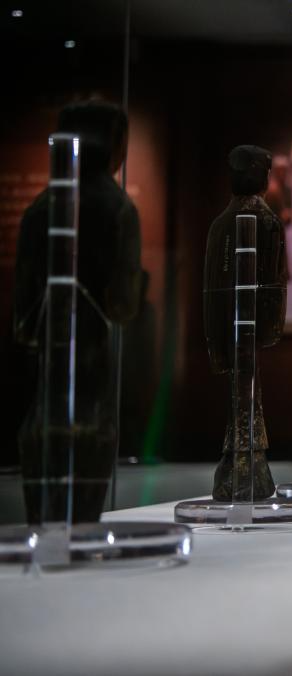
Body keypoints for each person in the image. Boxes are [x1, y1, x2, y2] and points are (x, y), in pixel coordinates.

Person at [15, 100, 141, 523]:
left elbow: (23, 322)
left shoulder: (40, 208)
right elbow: (123, 304)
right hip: (92, 381)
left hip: (43, 393)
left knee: (45, 515)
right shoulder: (118, 208)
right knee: (83, 519)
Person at [203, 145, 288, 501]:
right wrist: (269, 328)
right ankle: (246, 465)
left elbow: (212, 291)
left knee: (242, 391)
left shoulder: (221, 224)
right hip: (248, 328)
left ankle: (240, 463)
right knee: (246, 391)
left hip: (230, 327)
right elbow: (275, 285)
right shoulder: (267, 222)